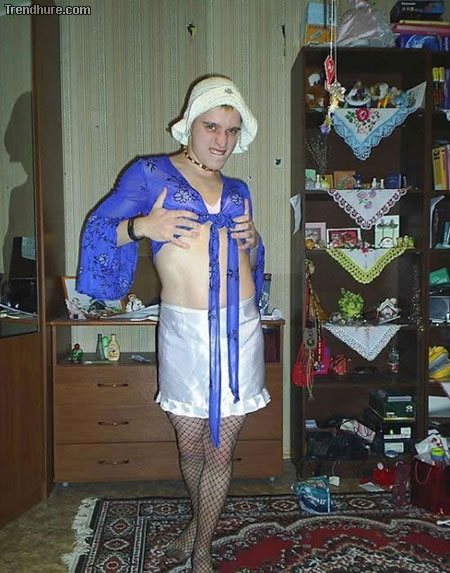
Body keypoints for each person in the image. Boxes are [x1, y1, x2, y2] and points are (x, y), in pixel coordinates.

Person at [77, 75, 269, 572]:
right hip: (185, 332)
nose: (222, 140)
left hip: (240, 327)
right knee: (191, 446)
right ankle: (196, 524)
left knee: (220, 451)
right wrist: (144, 226)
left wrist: (253, 241)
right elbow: (98, 230)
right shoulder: (150, 174)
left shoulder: (239, 189)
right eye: (212, 126)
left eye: (232, 130)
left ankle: (201, 546)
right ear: (190, 125)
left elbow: (248, 257)